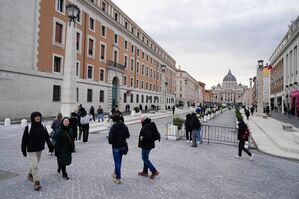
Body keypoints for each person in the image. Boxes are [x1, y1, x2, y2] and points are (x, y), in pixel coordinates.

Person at [21, 112, 53, 190]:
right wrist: (23, 150)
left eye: (39, 117)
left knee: (35, 164)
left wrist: (50, 146)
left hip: (39, 149)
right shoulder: (28, 127)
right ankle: (36, 182)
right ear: (33, 118)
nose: (38, 118)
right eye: (36, 117)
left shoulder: (43, 126)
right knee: (35, 165)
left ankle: (30, 174)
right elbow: (24, 139)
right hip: (31, 149)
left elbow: (47, 137)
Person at [108, 114, 130, 184]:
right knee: (119, 161)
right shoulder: (124, 125)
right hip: (123, 146)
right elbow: (128, 135)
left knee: (117, 162)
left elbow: (110, 140)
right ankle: (115, 173)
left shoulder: (113, 127)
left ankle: (118, 178)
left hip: (116, 147)